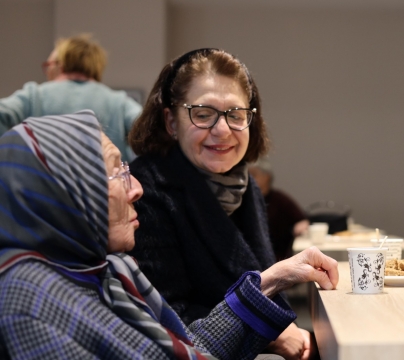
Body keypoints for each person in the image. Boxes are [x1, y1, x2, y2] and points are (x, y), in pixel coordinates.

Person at [0, 112, 339, 360]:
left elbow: (190, 348)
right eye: (116, 172)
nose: (137, 189)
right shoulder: (27, 300)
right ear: (66, 193)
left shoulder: (105, 270)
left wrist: (273, 279)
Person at [127, 48, 314, 359]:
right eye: (203, 114)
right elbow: (164, 319)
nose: (223, 130)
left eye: (236, 115)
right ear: (171, 121)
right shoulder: (146, 189)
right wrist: (266, 332)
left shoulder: (245, 184)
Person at [0, 34, 141, 160]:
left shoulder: (35, 95)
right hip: (106, 187)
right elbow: (149, 125)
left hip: (42, 187)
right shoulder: (118, 101)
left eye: (48, 65)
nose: (47, 71)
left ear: (60, 65)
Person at [249, 157, 310, 261]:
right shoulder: (244, 200)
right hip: (251, 254)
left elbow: (302, 221)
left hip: (278, 256)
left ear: (266, 177)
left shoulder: (279, 198)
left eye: (254, 175)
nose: (249, 179)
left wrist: (300, 226)